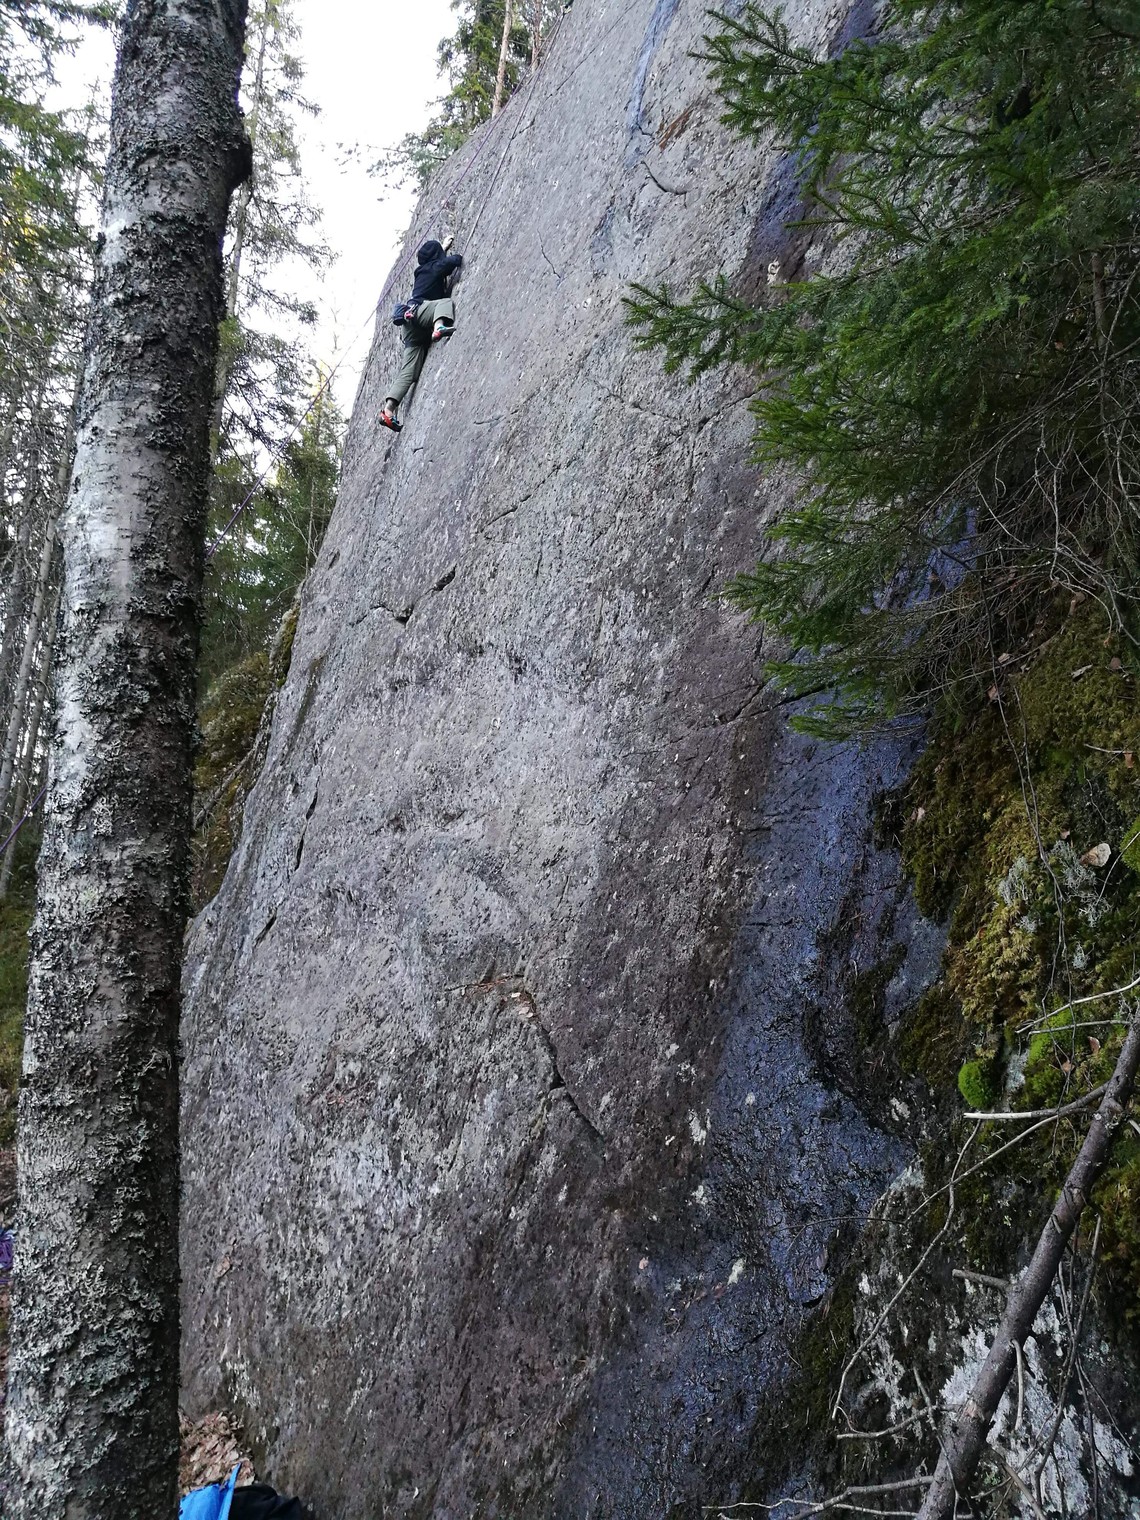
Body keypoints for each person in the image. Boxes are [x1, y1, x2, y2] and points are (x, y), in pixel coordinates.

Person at [380, 236, 463, 432]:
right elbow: (456, 260)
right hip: (421, 313)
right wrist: (445, 254)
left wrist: (442, 248)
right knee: (444, 303)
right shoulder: (434, 267)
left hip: (410, 324)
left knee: (408, 371)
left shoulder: (422, 271)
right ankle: (438, 327)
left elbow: (436, 263)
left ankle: (388, 410)